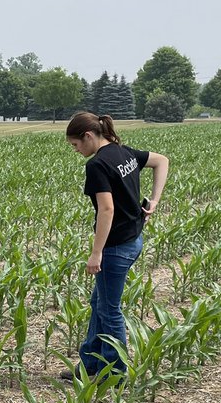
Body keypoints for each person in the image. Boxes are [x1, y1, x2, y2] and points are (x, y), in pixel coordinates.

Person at [62, 112, 169, 381]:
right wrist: (154, 200)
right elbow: (162, 161)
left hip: (115, 248)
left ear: (88, 136)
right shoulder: (124, 152)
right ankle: (89, 364)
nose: (76, 151)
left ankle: (115, 372)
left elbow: (106, 209)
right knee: (99, 302)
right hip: (134, 240)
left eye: (75, 145)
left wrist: (96, 253)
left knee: (109, 311)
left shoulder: (97, 164)